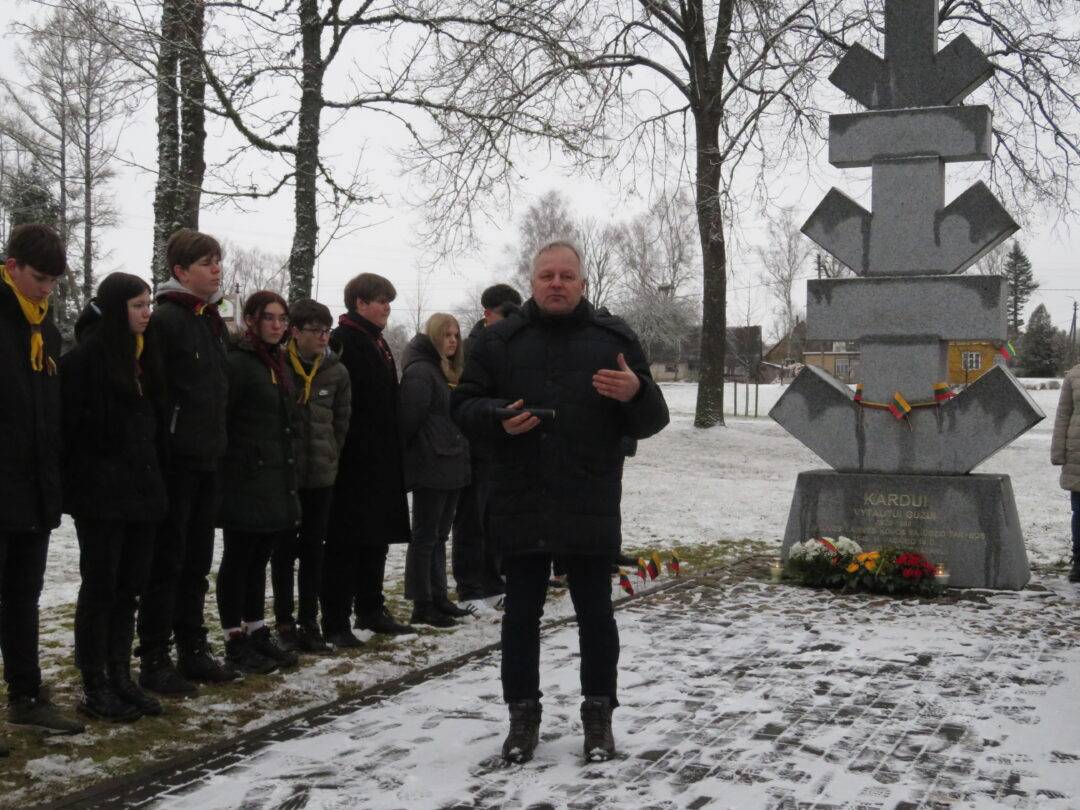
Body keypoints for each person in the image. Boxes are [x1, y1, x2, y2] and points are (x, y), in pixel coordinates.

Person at [453, 241, 669, 764]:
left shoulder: (613, 339)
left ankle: (599, 714)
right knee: (520, 617)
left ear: (582, 283)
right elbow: (461, 405)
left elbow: (654, 419)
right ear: (532, 283)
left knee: (596, 614)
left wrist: (636, 392)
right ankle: (522, 716)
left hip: (588, 496)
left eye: (566, 276)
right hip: (520, 496)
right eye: (546, 275)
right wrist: (495, 417)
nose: (556, 283)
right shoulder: (499, 340)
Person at [61, 273, 169, 723]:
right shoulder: (85, 360)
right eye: (138, 305)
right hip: (101, 495)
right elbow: (71, 431)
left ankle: (120, 673)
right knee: (101, 587)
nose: (147, 313)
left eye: (148, 304)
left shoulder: (145, 354)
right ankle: (94, 681)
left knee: (130, 588)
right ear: (115, 309)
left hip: (142, 491)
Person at [137, 228, 235, 695]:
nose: (216, 269)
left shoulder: (210, 320)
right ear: (180, 271)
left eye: (217, 261)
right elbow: (156, 393)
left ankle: (192, 647)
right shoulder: (167, 320)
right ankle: (154, 655)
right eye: (206, 263)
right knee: (168, 561)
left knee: (197, 560)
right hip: (176, 461)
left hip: (209, 457)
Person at [0, 224, 84, 744]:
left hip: (33, 490)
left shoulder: (45, 328)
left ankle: (27, 697)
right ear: (11, 266)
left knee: (22, 598)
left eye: (54, 281)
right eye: (39, 278)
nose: (46, 289)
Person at [321, 273, 413, 647]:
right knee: (345, 543)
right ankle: (336, 620)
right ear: (360, 303)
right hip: (352, 461)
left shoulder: (376, 340)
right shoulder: (343, 341)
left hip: (380, 459)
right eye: (381, 300)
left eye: (389, 301)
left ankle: (371, 608)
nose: (387, 307)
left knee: (376, 539)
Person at [216, 291, 301, 674]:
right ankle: (234, 637)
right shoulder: (238, 362)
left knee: (259, 558)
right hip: (244, 477)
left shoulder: (278, 361)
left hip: (274, 477)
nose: (277, 325)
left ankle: (255, 628)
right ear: (251, 319)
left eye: (282, 318)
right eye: (269, 317)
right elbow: (225, 417)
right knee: (239, 558)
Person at [271, 299, 351, 653]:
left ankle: (309, 620)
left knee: (313, 551)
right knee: (283, 552)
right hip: (285, 478)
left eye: (326, 331)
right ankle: (284, 622)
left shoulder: (336, 371)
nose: (322, 337)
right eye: (315, 330)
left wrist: (329, 455)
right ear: (295, 332)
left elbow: (341, 422)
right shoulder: (278, 365)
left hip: (321, 476)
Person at [451, 285, 522, 615]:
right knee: (471, 520)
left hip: (502, 446)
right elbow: (464, 400)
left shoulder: (512, 345)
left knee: (495, 519)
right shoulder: (473, 347)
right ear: (488, 313)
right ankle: (469, 588)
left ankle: (494, 583)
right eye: (505, 316)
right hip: (472, 447)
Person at [400, 313, 471, 627]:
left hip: (451, 460)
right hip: (431, 463)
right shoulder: (421, 371)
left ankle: (439, 596)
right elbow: (409, 420)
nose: (453, 341)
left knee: (440, 535)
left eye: (456, 335)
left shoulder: (446, 371)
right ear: (434, 336)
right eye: (446, 335)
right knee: (425, 536)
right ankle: (422, 602)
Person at [1052, 365, 1080, 582]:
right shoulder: (1074, 375)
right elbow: (1063, 415)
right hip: (1077, 455)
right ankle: (1079, 560)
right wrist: (1058, 452)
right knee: (1079, 511)